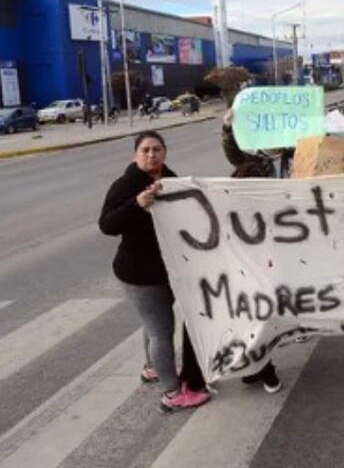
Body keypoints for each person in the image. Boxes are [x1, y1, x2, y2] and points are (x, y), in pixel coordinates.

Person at [99, 131, 211, 413]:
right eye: (146, 150)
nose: (152, 155)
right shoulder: (124, 186)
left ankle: (152, 367)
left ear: (165, 152)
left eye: (157, 149)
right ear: (135, 155)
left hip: (167, 269)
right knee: (161, 331)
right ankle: (172, 393)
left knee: (152, 324)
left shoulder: (171, 181)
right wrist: (137, 204)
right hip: (139, 273)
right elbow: (107, 225)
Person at [220, 108, 285, 392]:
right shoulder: (254, 163)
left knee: (273, 311)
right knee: (257, 313)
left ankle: (258, 364)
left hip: (288, 243)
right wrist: (227, 128)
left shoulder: (299, 157)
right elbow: (233, 153)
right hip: (255, 251)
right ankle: (261, 365)